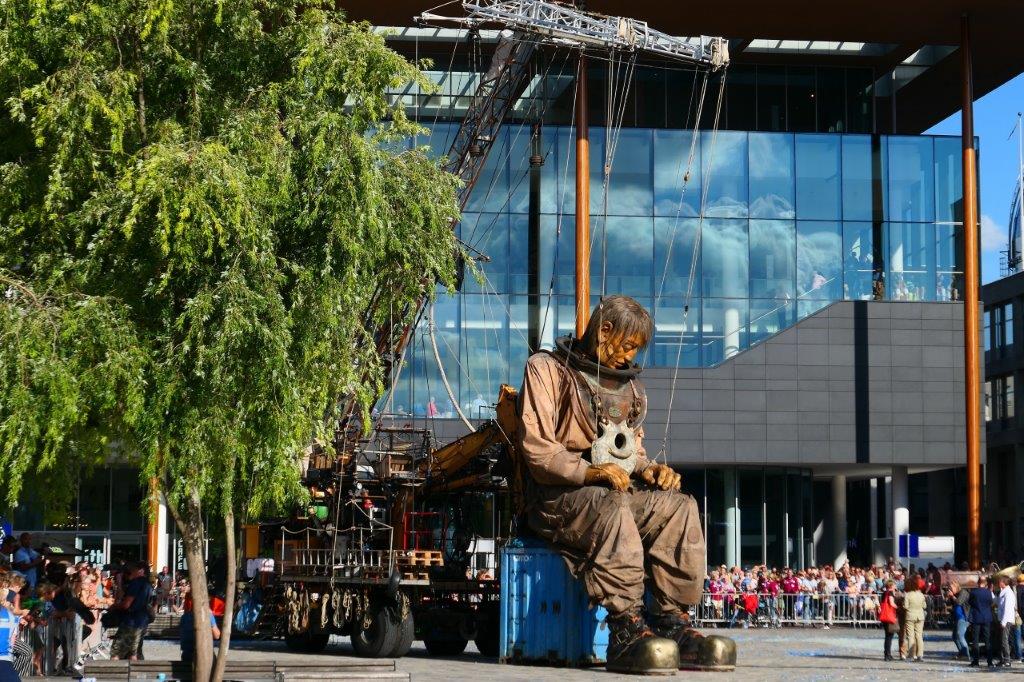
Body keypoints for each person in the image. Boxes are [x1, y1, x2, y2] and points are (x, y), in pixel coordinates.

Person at [517, 296, 735, 674]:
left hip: (610, 494)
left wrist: (650, 470)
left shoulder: (629, 390)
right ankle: (626, 628)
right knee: (612, 505)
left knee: (679, 507)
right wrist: (589, 473)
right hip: (554, 499)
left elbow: (629, 452)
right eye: (628, 345)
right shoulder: (546, 369)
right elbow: (537, 450)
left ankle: (672, 620)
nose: (630, 356)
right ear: (604, 331)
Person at [109, 562, 153, 661]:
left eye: (133, 570)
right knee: (134, 652)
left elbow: (126, 604)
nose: (130, 572)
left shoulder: (136, 583)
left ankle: (114, 674)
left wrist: (114, 606)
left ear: (141, 571)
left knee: (116, 652)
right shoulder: (147, 584)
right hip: (142, 622)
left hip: (131, 621)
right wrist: (120, 583)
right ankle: (135, 675)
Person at [179, 596, 220, 662]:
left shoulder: (184, 617)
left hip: (187, 654)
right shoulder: (208, 616)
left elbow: (183, 636)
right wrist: (211, 617)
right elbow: (217, 635)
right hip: (204, 654)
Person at [969, 575, 995, 667]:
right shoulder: (988, 593)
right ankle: (990, 661)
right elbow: (991, 603)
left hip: (976, 617)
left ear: (978, 582)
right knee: (987, 640)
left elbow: (970, 603)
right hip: (987, 617)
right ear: (985, 583)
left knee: (975, 640)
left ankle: (976, 661)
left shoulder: (973, 592)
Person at [902, 576, 926, 662]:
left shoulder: (907, 595)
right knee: (919, 636)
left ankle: (912, 655)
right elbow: (924, 606)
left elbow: (905, 606)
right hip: (920, 616)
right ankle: (920, 655)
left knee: (911, 636)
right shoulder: (921, 594)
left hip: (910, 616)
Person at [998, 574, 1017, 667]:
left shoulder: (1008, 593)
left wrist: (1004, 622)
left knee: (1004, 640)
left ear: (1003, 583)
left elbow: (1007, 608)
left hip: (1007, 620)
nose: (998, 583)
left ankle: (1007, 660)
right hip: (1003, 619)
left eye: (1000, 581)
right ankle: (1002, 659)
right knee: (1002, 639)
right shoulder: (1004, 592)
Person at [948, 581, 970, 660]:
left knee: (960, 635)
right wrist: (950, 597)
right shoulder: (955, 594)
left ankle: (966, 654)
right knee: (955, 637)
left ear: (956, 586)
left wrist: (952, 596)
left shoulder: (963, 592)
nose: (950, 589)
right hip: (957, 618)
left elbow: (959, 602)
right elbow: (952, 604)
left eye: (951, 588)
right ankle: (961, 652)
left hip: (963, 617)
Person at [878, 579, 899, 661]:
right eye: (894, 584)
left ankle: (887, 653)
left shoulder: (884, 593)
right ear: (891, 586)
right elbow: (891, 603)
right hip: (889, 616)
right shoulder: (890, 593)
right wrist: (898, 607)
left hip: (884, 616)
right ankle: (887, 654)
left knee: (887, 635)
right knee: (889, 636)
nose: (895, 586)